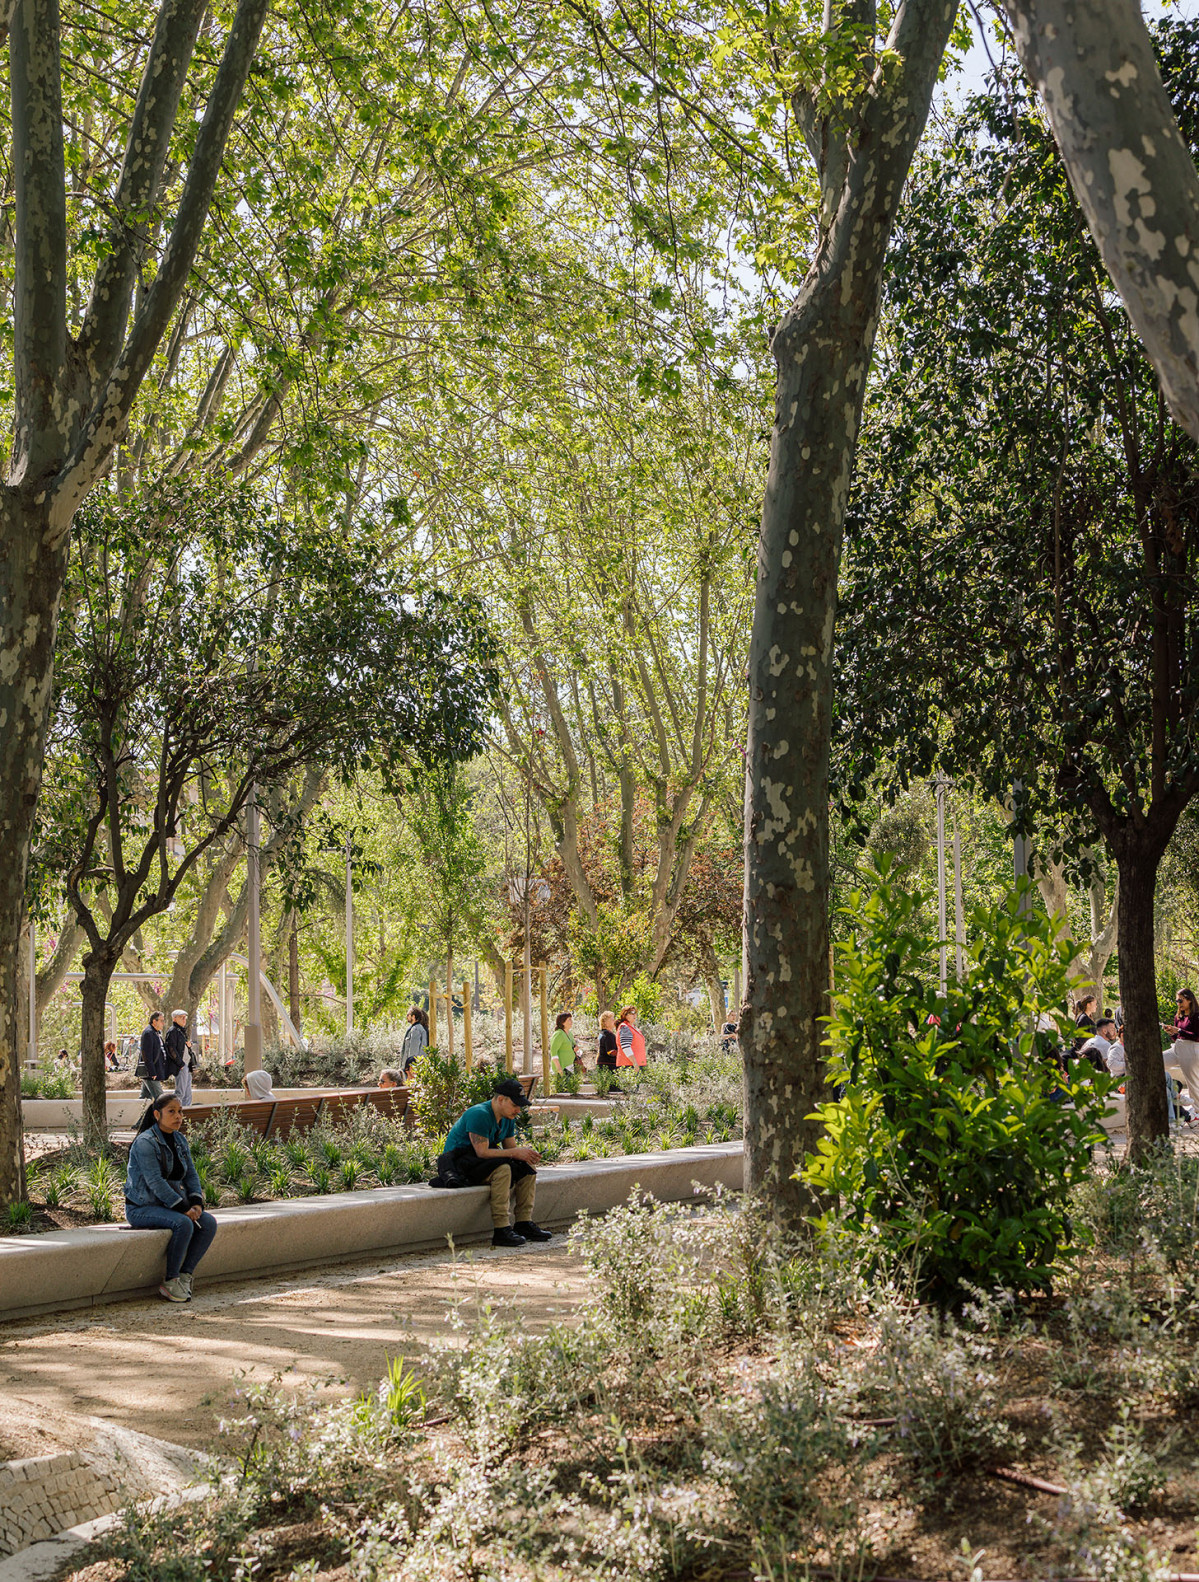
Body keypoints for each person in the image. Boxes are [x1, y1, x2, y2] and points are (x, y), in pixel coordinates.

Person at [434, 1078, 552, 1247]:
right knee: (503, 1170)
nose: (518, 1110)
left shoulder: (508, 1117)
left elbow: (510, 1149)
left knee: (526, 1168)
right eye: (515, 1105)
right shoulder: (479, 1114)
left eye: (520, 1105)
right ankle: (501, 1229)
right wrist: (515, 1153)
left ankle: (524, 1223)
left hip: (480, 1162)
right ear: (500, 1099)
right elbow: (481, 1152)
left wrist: (526, 1155)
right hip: (461, 1165)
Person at [124, 1092, 217, 1302]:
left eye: (180, 1111)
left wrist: (196, 1203)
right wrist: (183, 1208)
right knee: (184, 1223)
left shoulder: (179, 1139)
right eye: (172, 1112)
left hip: (170, 1206)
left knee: (209, 1223)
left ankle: (184, 1276)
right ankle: (171, 1281)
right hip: (142, 1208)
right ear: (157, 1114)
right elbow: (154, 1181)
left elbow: (191, 1174)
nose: (178, 1116)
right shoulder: (145, 1142)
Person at [1165, 989, 1199, 1123]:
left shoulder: (1196, 1016)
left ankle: (1196, 1112)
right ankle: (1171, 1092)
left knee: (1193, 1082)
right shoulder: (1179, 1016)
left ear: (1189, 999)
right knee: (1157, 1063)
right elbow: (1177, 1037)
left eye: (1180, 1000)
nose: (1178, 1003)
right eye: (1177, 1001)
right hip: (1178, 1047)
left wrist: (1179, 1031)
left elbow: (1196, 1036)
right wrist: (1172, 1032)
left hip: (1192, 1049)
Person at [164, 1009, 195, 1107]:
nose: (184, 1019)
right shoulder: (173, 1031)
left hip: (186, 1065)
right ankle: (174, 1112)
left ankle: (186, 1113)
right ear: (174, 1019)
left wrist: (188, 1046)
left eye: (184, 1017)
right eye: (181, 1017)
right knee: (180, 1093)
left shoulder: (181, 1031)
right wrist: (180, 1064)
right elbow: (170, 1048)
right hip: (181, 1065)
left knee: (187, 1093)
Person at [138, 1012, 167, 1099]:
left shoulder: (156, 1033)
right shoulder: (148, 1033)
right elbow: (146, 1055)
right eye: (161, 1021)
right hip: (151, 1073)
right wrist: (152, 1072)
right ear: (154, 1021)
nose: (163, 1023)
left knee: (145, 1098)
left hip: (153, 1071)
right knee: (161, 1099)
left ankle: (141, 1112)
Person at [550, 1012, 584, 1077]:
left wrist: (576, 1048)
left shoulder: (570, 1034)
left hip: (570, 1067)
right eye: (569, 1020)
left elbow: (572, 1047)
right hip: (561, 1069)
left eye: (571, 1019)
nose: (571, 1021)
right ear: (563, 1022)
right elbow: (553, 1052)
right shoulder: (558, 1034)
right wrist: (559, 1069)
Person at [401, 1006, 429, 1076]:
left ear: (413, 1016)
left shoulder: (415, 1030)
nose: (406, 1016)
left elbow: (413, 1051)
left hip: (411, 1069)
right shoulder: (417, 1028)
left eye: (408, 1015)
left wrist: (409, 1068)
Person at [597, 1010, 620, 1083]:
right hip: (609, 1065)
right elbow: (611, 1051)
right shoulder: (609, 1035)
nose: (614, 1021)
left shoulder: (602, 1033)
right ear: (605, 1022)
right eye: (612, 1019)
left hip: (601, 1063)